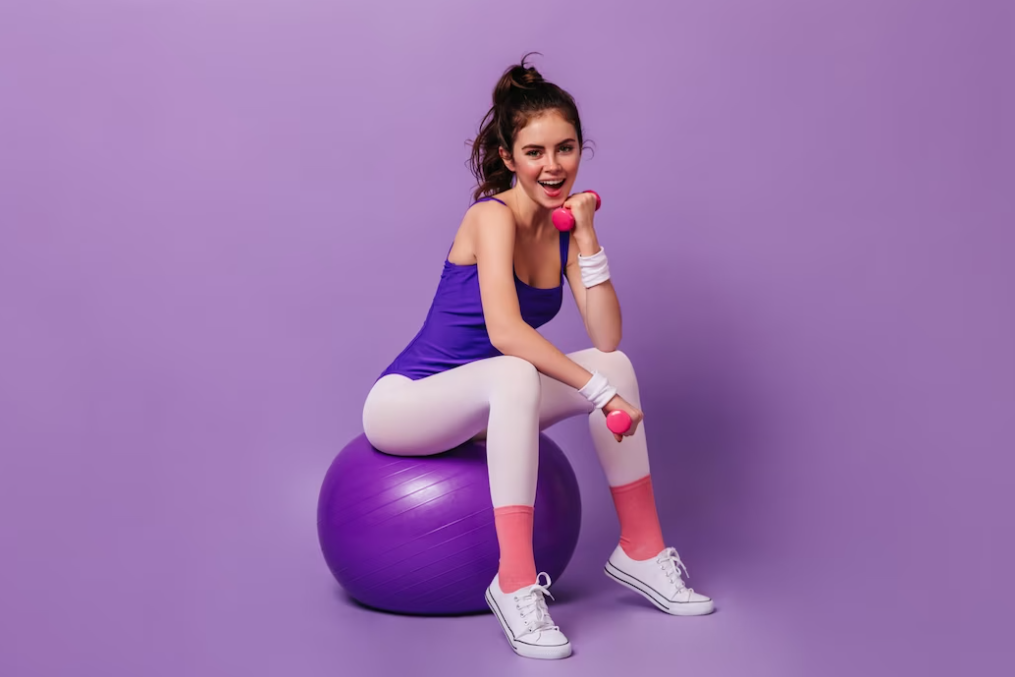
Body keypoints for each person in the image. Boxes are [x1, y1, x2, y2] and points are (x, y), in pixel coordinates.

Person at [361, 55, 714, 660]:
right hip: (407, 405)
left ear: (581, 149)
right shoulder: (488, 218)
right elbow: (505, 332)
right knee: (518, 371)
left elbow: (605, 336)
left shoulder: (562, 227)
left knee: (618, 366)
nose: (553, 167)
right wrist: (599, 397)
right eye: (535, 152)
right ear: (508, 157)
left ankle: (642, 550)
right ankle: (516, 582)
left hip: (487, 406)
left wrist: (586, 237)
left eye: (566, 148)